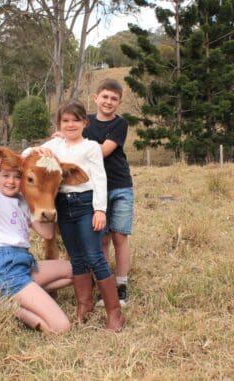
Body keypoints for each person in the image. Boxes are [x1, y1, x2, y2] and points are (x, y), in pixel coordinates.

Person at [27, 100, 124, 331]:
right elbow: (26, 154)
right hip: (62, 205)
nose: (70, 125)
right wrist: (37, 150)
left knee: (94, 255)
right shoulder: (55, 145)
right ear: (59, 124)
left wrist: (100, 209)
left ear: (84, 123)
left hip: (85, 204)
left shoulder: (90, 147)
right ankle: (85, 305)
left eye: (75, 120)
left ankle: (114, 312)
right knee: (76, 257)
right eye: (65, 121)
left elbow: (100, 178)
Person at [0, 154, 73, 333]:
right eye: (5, 176)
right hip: (6, 268)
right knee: (61, 327)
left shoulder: (23, 202)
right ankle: (8, 306)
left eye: (17, 176)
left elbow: (47, 233)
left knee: (74, 271)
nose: (11, 181)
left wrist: (44, 197)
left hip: (25, 264)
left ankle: (13, 296)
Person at [84, 78, 134, 307]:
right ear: (96, 98)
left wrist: (79, 146)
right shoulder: (85, 122)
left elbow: (102, 152)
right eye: (104, 96)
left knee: (119, 236)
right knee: (102, 238)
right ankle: (106, 285)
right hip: (96, 188)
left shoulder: (119, 124)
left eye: (114, 99)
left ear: (119, 103)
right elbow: (69, 133)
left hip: (120, 186)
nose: (108, 101)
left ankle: (121, 287)